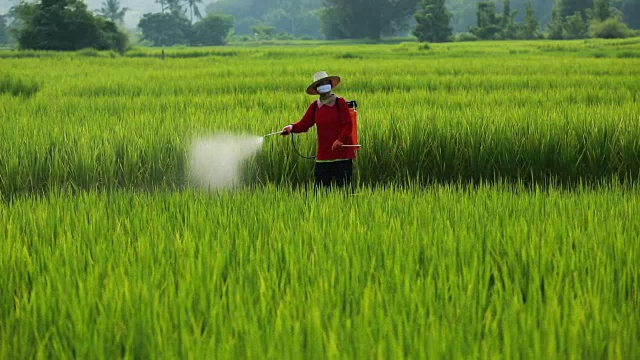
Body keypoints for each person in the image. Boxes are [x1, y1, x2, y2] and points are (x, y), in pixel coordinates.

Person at [281, 71, 356, 187]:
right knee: (320, 191)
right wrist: (291, 127)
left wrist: (340, 140)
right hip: (323, 156)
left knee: (345, 190)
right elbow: (304, 124)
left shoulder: (339, 102)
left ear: (331, 85)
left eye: (327, 82)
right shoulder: (315, 107)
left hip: (342, 154)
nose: (325, 85)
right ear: (316, 89)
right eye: (321, 84)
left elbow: (347, 125)